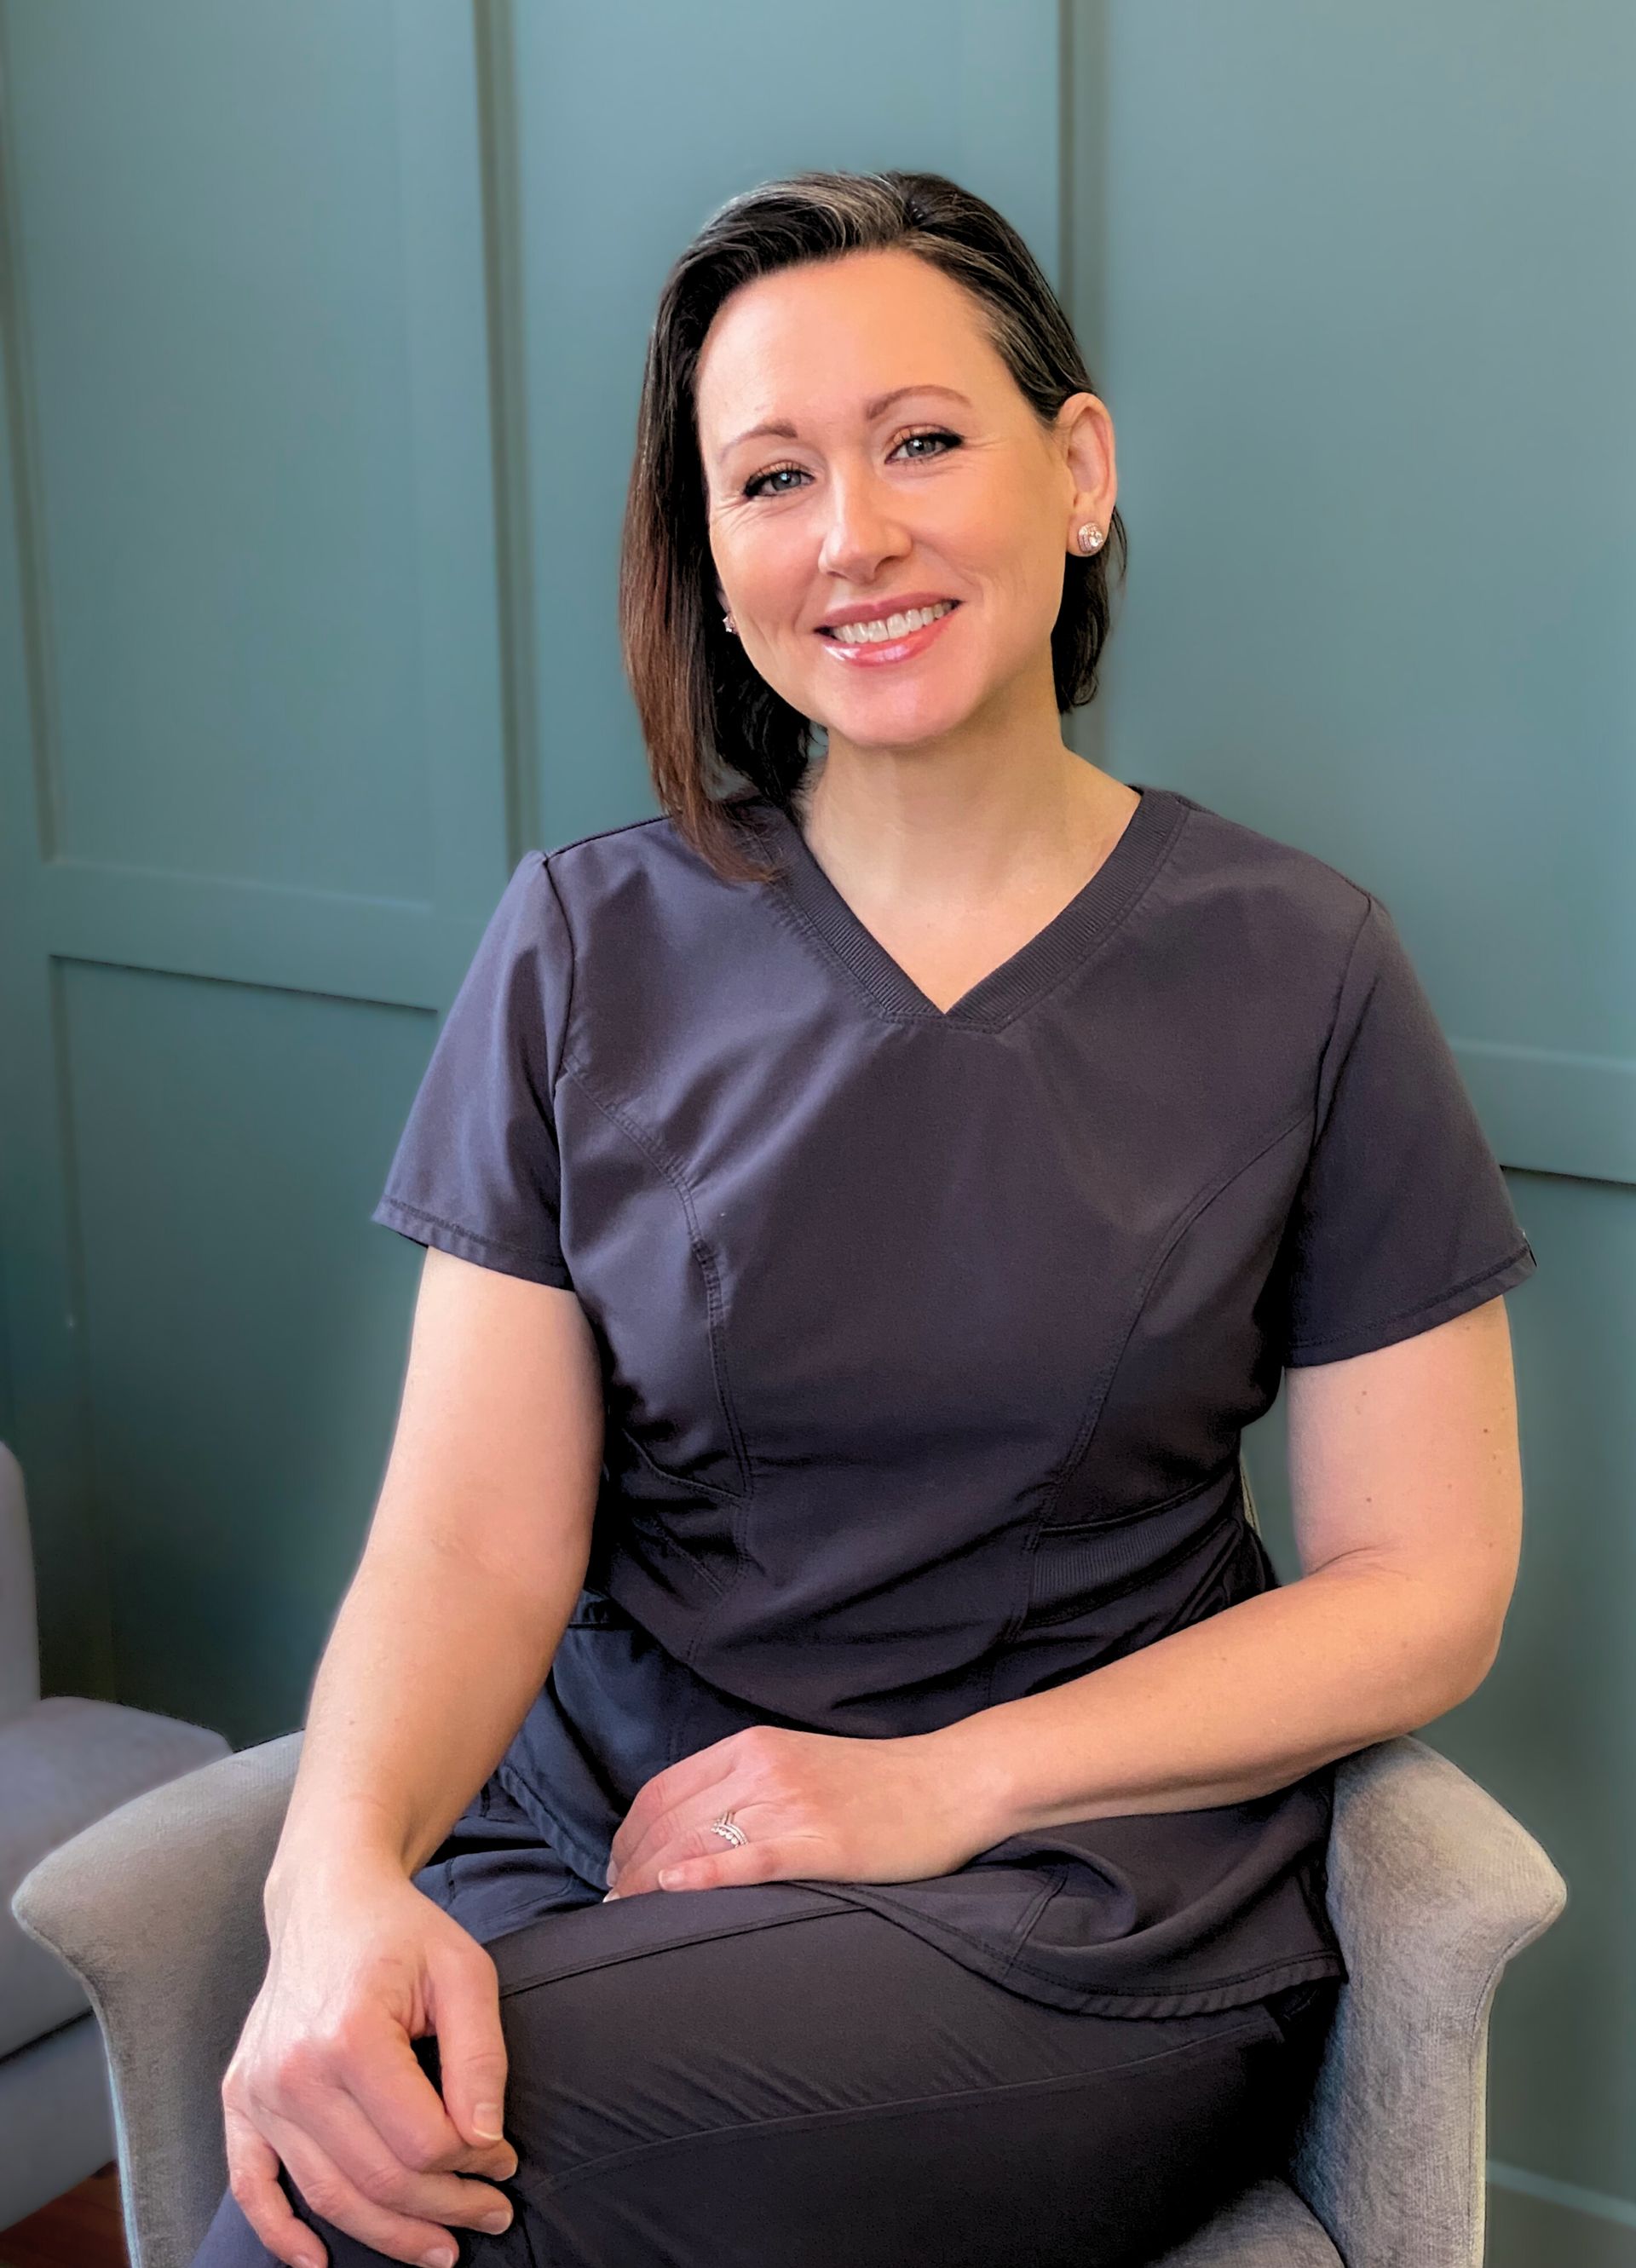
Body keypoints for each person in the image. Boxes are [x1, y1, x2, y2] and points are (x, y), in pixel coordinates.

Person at [189, 168, 1537, 2268]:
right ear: (710, 554)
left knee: (372, 2201)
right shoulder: (574, 943)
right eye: (770, 478)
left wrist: (943, 1782)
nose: (855, 538)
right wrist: (329, 1878)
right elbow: (467, 1538)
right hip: (610, 1859)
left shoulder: (1306, 966)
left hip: (1063, 1909)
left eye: (923, 440)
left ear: (1076, 472)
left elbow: (1425, 1580)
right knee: (365, 2123)